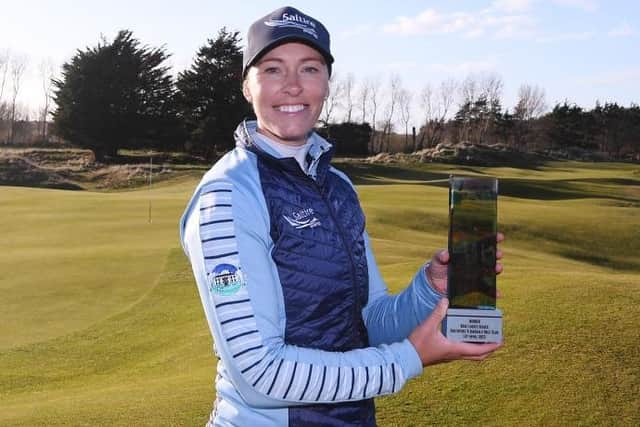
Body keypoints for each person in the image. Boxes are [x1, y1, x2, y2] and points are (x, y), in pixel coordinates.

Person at [180, 6, 503, 426]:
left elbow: (369, 323)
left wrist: (429, 288)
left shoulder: (338, 187)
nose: (293, 86)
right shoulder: (227, 195)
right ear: (247, 86)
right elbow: (259, 374)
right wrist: (408, 359)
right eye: (273, 69)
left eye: (310, 69)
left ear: (328, 83)